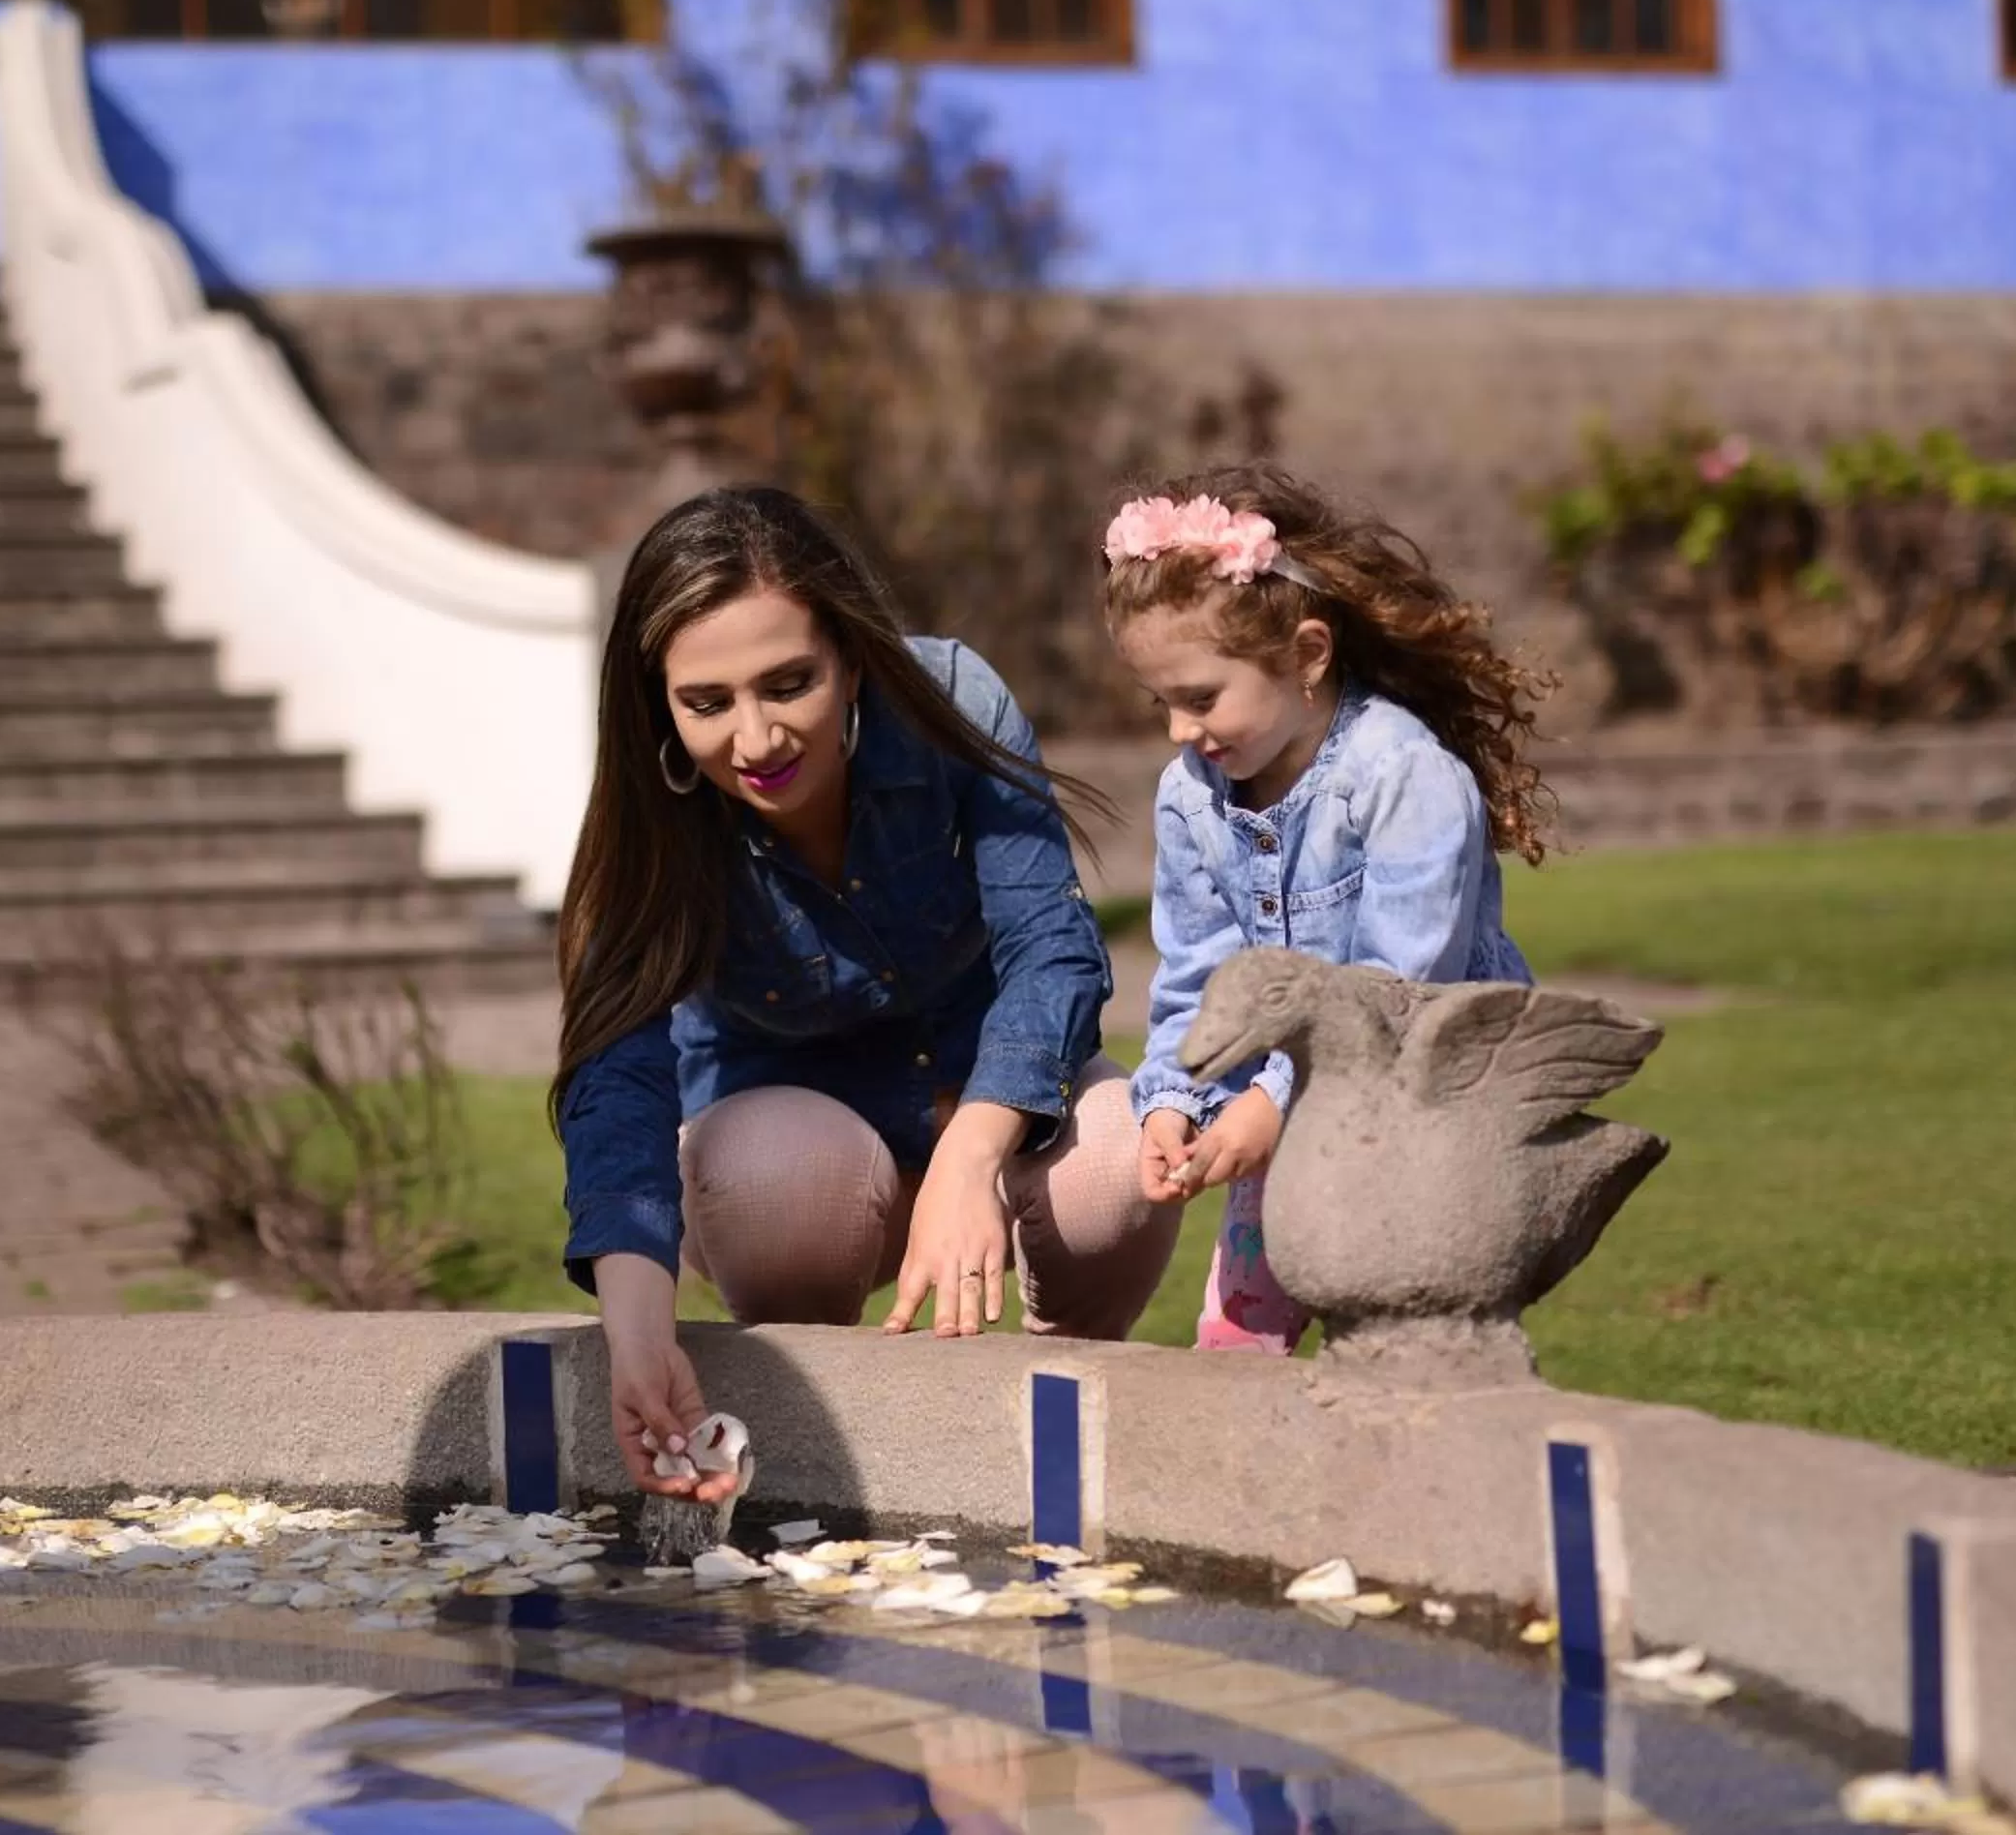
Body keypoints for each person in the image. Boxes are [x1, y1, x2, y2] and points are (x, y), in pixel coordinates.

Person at [553, 485, 1183, 1504]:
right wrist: (636, 1334)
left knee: (1115, 1157)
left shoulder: (951, 702)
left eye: (788, 684)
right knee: (779, 1181)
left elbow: (1052, 950)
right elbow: (616, 1075)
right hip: (794, 1164)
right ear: (660, 702)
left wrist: (973, 1151)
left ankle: (1066, 1441)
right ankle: (813, 1456)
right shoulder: (654, 813)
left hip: (992, 1106)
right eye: (707, 703)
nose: (757, 740)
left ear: (849, 657)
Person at [1102, 462, 1556, 1354]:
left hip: (1432, 1112)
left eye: (1201, 699)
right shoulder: (1190, 796)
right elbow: (1198, 974)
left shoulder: (1403, 775)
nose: (1180, 731)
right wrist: (1174, 1101)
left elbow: (1399, 984)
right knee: (1236, 1346)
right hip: (1276, 1115)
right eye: (1162, 702)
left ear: (1308, 656)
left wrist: (1273, 1104)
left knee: (1409, 1345)